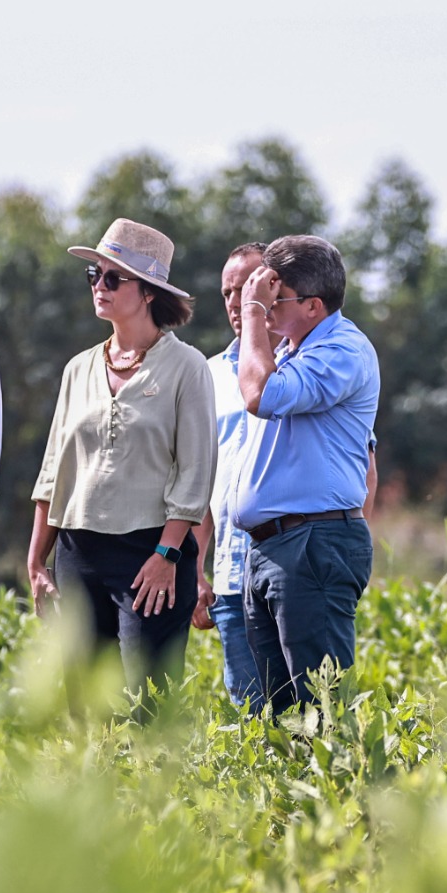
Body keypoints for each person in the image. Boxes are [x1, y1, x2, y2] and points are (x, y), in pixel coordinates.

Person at [26, 218, 216, 713]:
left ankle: (153, 793)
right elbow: (54, 471)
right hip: (77, 552)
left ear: (149, 292)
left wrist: (168, 556)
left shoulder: (187, 367)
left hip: (150, 553)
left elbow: (195, 473)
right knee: (85, 703)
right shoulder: (78, 368)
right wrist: (36, 562)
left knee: (147, 702)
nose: (99, 287)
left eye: (114, 278)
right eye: (94, 275)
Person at [233, 233, 381, 709]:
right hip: (277, 547)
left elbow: (262, 396)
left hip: (312, 545)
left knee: (323, 713)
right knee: (281, 714)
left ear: (314, 306)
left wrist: (253, 314)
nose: (266, 305)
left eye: (279, 297)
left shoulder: (342, 351)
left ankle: (348, 787)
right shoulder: (297, 350)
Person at [197, 243, 267, 708]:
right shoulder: (207, 375)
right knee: (248, 708)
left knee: (307, 708)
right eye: (227, 292)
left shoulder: (302, 360)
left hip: (290, 568)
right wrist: (195, 570)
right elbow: (196, 483)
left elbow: (362, 467)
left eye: (245, 289)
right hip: (228, 576)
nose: (234, 302)